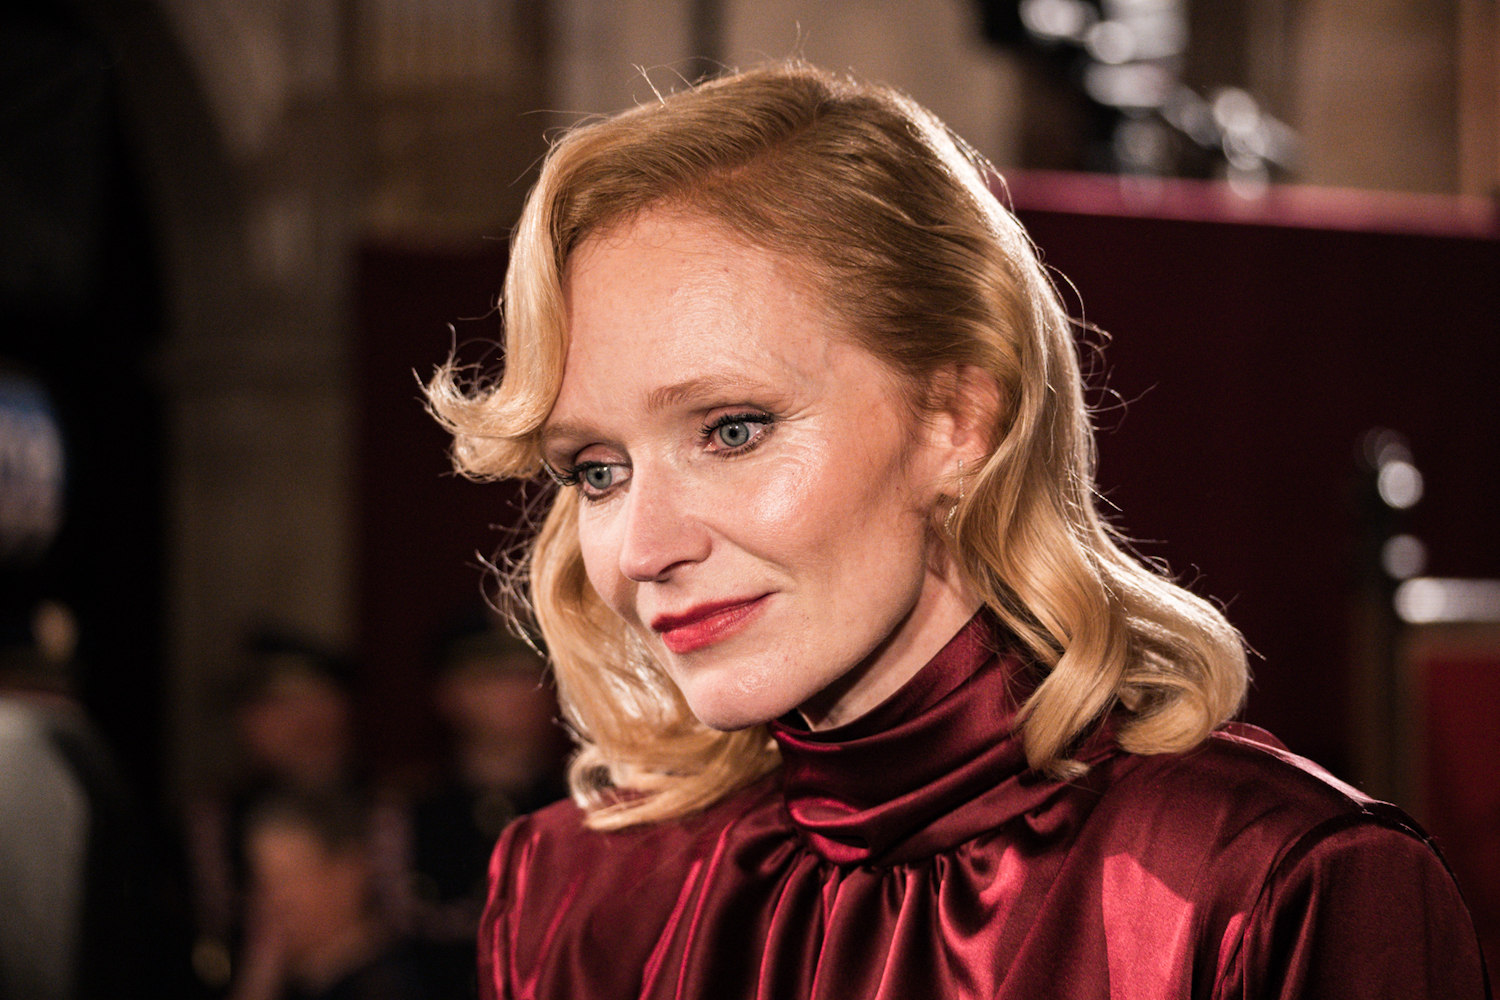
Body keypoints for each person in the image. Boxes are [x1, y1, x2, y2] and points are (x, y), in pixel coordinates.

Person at [426, 62, 1492, 999]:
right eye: (597, 471)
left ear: (957, 420)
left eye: (732, 429)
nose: (641, 548)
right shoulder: (574, 899)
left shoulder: (1271, 889)